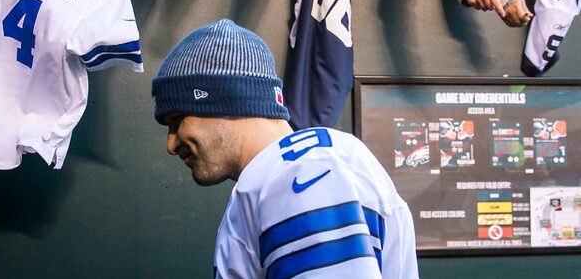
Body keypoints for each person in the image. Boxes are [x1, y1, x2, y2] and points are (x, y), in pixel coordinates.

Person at [151, 19, 419, 278]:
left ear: (224, 101)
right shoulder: (278, 174)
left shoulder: (300, 172)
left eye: (176, 121)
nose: (171, 144)